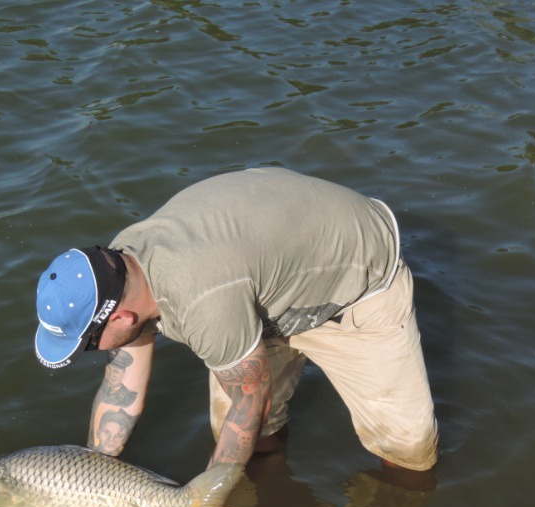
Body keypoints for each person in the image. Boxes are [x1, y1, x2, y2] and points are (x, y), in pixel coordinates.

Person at [34, 167, 439, 475]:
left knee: (407, 449)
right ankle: (271, 501)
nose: (91, 351)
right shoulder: (123, 266)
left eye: (87, 342)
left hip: (356, 280)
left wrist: (201, 501)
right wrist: (88, 472)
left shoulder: (203, 303)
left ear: (121, 316)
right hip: (259, 283)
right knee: (249, 435)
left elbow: (250, 402)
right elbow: (121, 384)